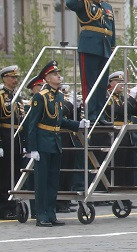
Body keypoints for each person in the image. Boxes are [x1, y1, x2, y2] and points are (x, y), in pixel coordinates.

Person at [23, 61, 88, 226]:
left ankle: (51, 214)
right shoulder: (40, 97)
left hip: (55, 143)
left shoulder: (58, 96)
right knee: (42, 182)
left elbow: (60, 120)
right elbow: (32, 124)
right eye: (55, 74)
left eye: (59, 74)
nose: (59, 77)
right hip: (43, 144)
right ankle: (41, 215)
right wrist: (33, 148)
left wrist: (77, 124)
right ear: (47, 78)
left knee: (53, 181)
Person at [65, 0, 115, 123]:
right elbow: (69, 4)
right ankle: (91, 114)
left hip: (104, 48)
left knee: (102, 84)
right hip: (89, 46)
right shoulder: (84, 2)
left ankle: (100, 115)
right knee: (90, 82)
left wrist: (113, 48)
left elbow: (111, 29)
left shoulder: (107, 7)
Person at [0, 65, 21, 219]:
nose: (15, 80)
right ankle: (4, 207)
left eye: (16, 77)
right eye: (12, 77)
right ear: (4, 78)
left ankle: (13, 205)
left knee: (15, 173)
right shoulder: (1, 95)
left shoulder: (16, 95)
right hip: (6, 137)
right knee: (5, 174)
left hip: (17, 137)